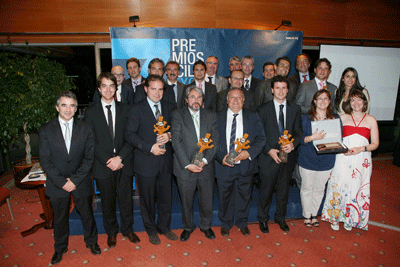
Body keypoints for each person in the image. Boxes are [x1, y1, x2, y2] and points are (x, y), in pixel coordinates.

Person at [39, 91, 100, 265]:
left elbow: (89, 158)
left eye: (72, 105)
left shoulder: (86, 128)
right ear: (57, 107)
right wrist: (62, 182)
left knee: (87, 214)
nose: (68, 109)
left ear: (76, 108)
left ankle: (91, 242)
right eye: (64, 105)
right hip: (57, 184)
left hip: (80, 182)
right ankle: (60, 248)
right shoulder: (45, 130)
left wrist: (75, 180)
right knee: (59, 218)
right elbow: (45, 160)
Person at [84, 73, 138, 248]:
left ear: (116, 88)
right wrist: (110, 160)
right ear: (99, 89)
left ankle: (128, 229)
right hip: (102, 165)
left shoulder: (126, 109)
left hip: (124, 162)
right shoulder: (90, 112)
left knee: (126, 200)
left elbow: (131, 137)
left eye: (111, 86)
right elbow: (91, 141)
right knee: (107, 202)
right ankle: (111, 232)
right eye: (104, 86)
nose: (108, 89)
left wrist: (119, 157)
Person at [125, 75, 178, 245]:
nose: (157, 93)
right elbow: (130, 135)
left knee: (166, 198)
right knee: (147, 200)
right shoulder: (136, 109)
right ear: (146, 89)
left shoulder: (170, 107)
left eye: (160, 89)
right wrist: (149, 147)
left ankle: (164, 227)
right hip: (145, 162)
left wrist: (169, 135)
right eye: (153, 89)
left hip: (166, 162)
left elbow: (178, 129)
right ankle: (151, 229)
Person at [322, 89, 379, 231]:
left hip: (362, 159)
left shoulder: (371, 120)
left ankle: (351, 219)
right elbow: (334, 138)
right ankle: (334, 217)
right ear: (349, 103)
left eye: (359, 100)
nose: (356, 103)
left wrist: (360, 149)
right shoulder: (342, 118)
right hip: (343, 157)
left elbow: (375, 144)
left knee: (356, 186)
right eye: (353, 100)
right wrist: (342, 149)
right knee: (338, 184)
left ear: (364, 102)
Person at [171, 85, 219, 241]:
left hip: (206, 166)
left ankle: (206, 226)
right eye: (192, 97)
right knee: (186, 201)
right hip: (185, 167)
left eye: (199, 97)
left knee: (207, 200)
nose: (196, 100)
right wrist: (188, 164)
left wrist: (204, 160)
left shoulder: (211, 115)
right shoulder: (177, 115)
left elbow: (215, 141)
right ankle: (188, 227)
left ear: (203, 101)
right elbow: (176, 142)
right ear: (186, 100)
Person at [215, 88, 266, 237]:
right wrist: (220, 157)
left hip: (245, 165)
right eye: (232, 98)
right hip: (224, 165)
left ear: (244, 100)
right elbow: (212, 141)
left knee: (245, 195)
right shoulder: (217, 117)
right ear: (227, 100)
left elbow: (261, 139)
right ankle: (226, 223)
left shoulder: (253, 116)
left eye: (239, 98)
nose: (236, 101)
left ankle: (242, 222)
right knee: (225, 196)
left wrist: (248, 153)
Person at [257, 75, 302, 234]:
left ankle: (280, 217)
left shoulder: (295, 109)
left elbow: (299, 132)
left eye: (284, 88)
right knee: (266, 191)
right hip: (268, 158)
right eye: (277, 88)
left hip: (287, 157)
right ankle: (263, 219)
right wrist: (269, 150)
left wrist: (293, 144)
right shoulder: (262, 109)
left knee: (284, 191)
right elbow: (259, 135)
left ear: (288, 90)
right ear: (272, 90)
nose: (281, 91)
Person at [298, 89, 337, 228]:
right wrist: (312, 138)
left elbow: (339, 139)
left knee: (320, 189)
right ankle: (306, 215)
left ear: (329, 101)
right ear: (314, 101)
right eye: (319, 98)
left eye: (325, 98)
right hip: (307, 159)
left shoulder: (335, 119)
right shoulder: (305, 119)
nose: (322, 101)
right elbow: (299, 139)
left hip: (326, 160)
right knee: (307, 188)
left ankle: (314, 214)